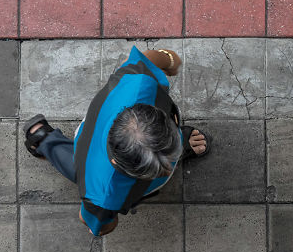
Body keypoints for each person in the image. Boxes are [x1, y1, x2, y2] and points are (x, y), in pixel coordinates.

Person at [22, 46, 210, 236]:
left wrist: (170, 60)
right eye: (164, 165)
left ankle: (43, 138)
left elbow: (148, 59)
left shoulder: (138, 84)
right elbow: (91, 222)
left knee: (84, 166)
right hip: (99, 178)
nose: (169, 167)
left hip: (94, 131)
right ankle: (44, 140)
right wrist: (103, 223)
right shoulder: (103, 198)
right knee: (85, 177)